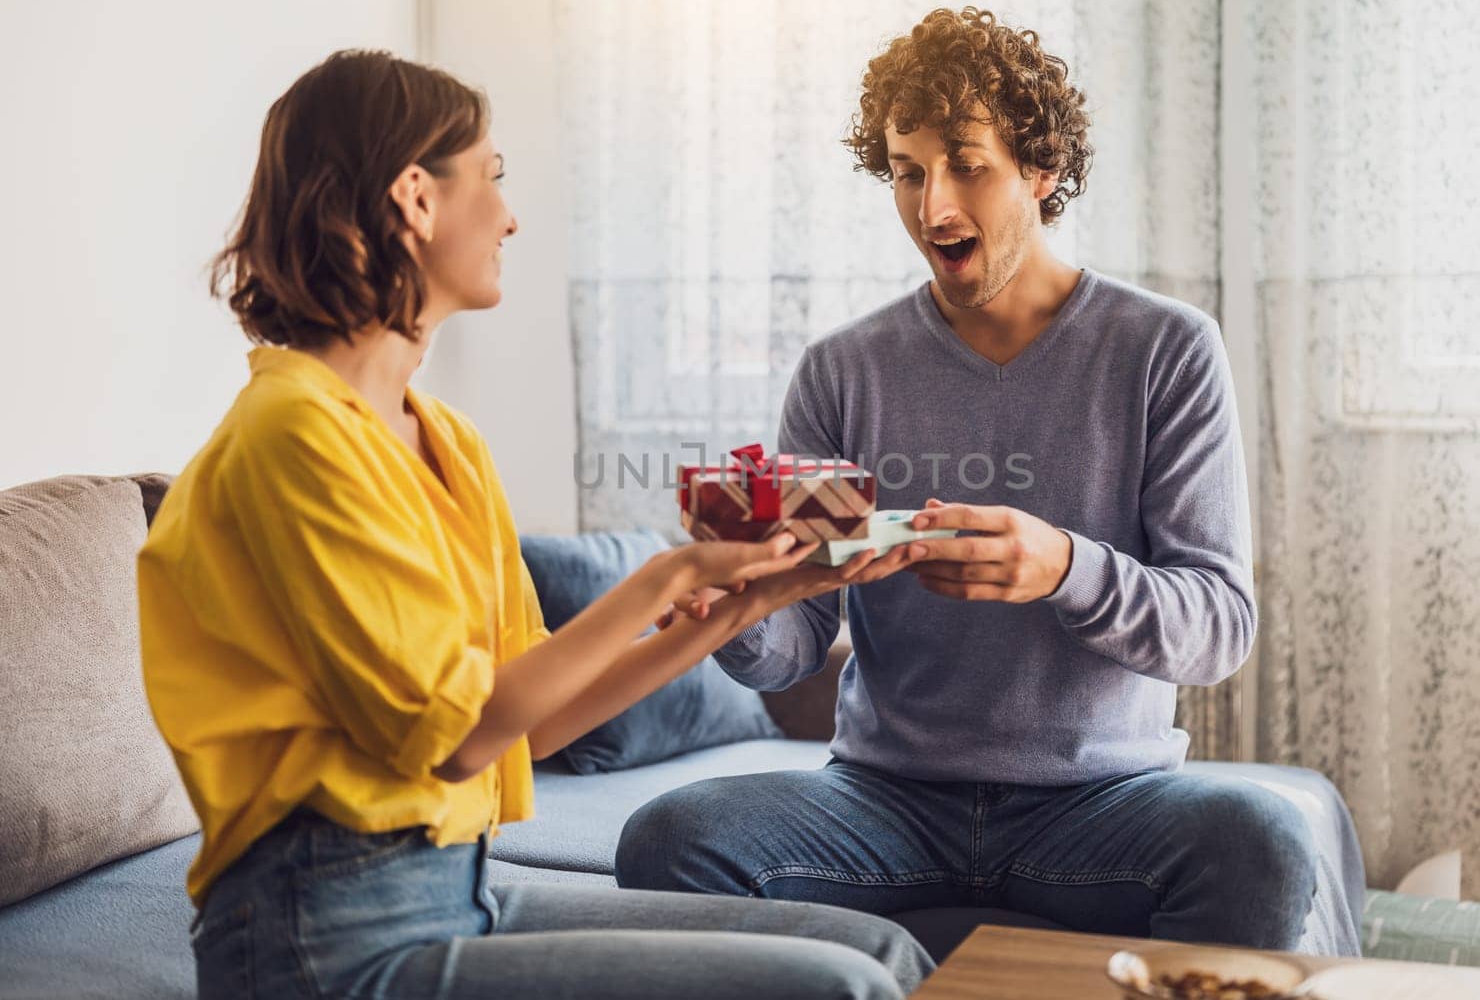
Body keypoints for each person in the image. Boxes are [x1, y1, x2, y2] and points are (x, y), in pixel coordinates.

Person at [138, 49, 931, 1000]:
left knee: (882, 955)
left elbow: (539, 716)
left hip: (459, 894)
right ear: (415, 199)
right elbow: (458, 735)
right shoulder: (291, 438)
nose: (509, 214)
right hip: (324, 938)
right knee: (839, 991)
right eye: (493, 176)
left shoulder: (446, 442)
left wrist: (751, 599)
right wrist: (670, 575)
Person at [616, 7, 1338, 954]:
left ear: (1040, 170)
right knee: (670, 838)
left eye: (966, 163)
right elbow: (796, 640)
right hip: (880, 801)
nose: (933, 209)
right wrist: (733, 613)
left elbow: (1219, 625)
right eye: (908, 172)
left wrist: (1066, 568)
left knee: (1266, 846)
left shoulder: (1165, 351)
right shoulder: (842, 371)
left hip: (1104, 802)